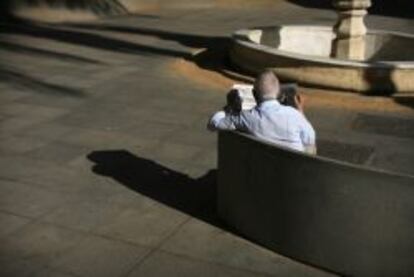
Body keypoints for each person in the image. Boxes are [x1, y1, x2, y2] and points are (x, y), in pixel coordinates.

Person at [207, 70, 316, 154]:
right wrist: (300, 111)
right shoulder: (294, 115)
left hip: (261, 172)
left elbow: (213, 123)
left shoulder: (246, 118)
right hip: (294, 174)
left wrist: (229, 109)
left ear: (254, 94)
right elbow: (310, 140)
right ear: (278, 94)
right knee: (310, 147)